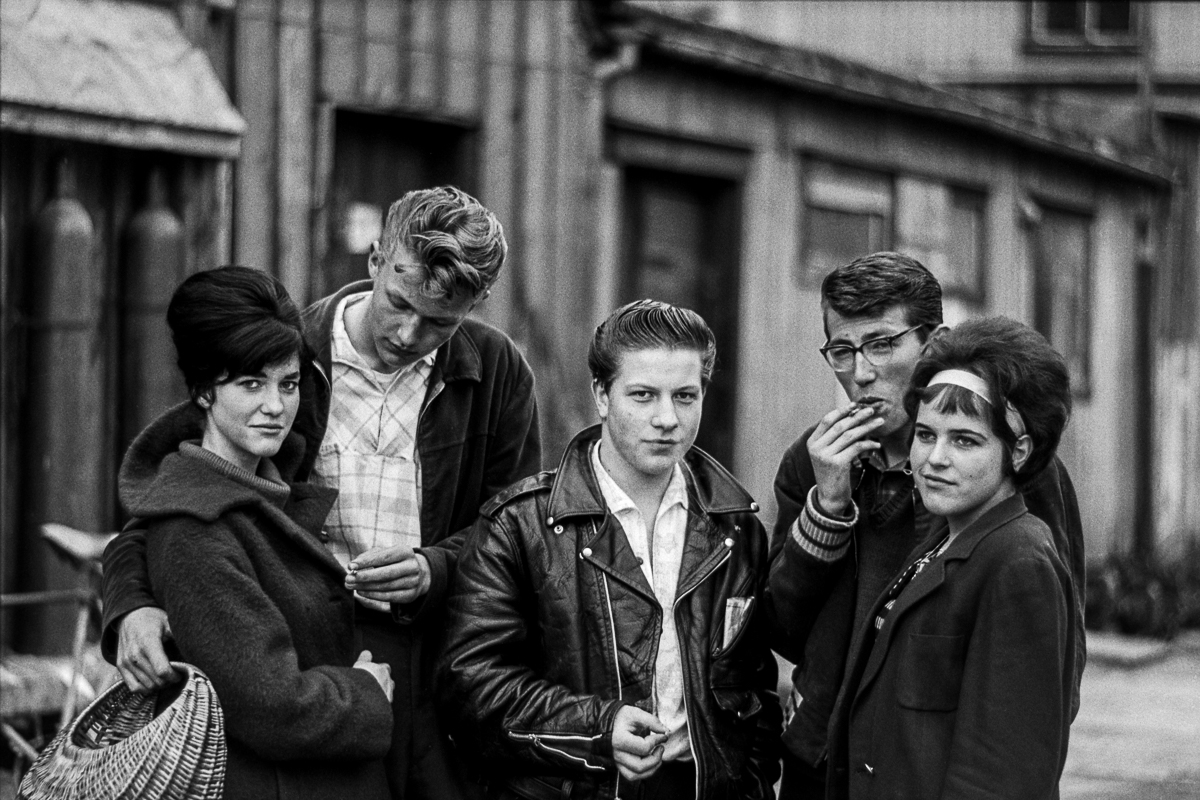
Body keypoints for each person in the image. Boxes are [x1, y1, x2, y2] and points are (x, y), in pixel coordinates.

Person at [102, 186, 541, 800]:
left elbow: (517, 529)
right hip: (309, 655)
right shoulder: (285, 356)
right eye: (399, 302)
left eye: (441, 322)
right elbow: (171, 490)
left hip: (437, 660)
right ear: (375, 257)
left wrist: (434, 569)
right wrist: (131, 603)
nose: (409, 333)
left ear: (476, 304)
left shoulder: (498, 373)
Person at [763, 252, 1085, 798]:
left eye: (883, 344)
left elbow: (1050, 651)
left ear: (933, 342)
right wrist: (829, 509)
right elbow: (783, 628)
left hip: (922, 764)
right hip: (821, 758)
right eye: (842, 350)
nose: (860, 373)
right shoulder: (815, 458)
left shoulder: (1012, 468)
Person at [438, 300, 781, 800]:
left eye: (685, 396)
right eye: (643, 395)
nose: (668, 418)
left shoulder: (736, 527)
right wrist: (600, 728)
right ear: (601, 394)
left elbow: (755, 692)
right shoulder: (519, 524)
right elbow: (470, 687)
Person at [122, 266, 394, 799]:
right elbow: (270, 708)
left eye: (288, 384)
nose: (276, 406)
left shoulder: (270, 483)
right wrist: (365, 694)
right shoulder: (196, 526)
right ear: (203, 391)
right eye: (251, 384)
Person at [826, 316, 1077, 798]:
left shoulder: (1018, 561)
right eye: (925, 435)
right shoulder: (945, 538)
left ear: (1019, 450)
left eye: (965, 440)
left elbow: (1004, 773)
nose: (935, 458)